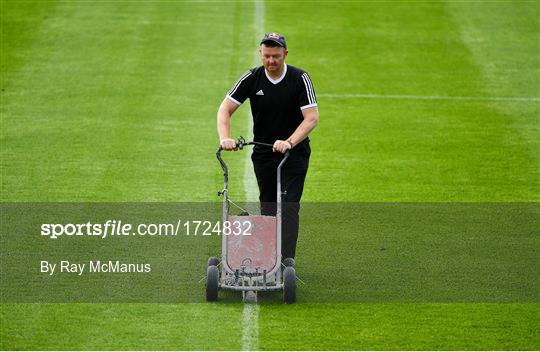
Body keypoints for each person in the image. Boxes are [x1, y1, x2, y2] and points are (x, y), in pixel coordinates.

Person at [217, 32, 318, 264]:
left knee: (289, 206)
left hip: (294, 154)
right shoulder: (251, 78)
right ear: (260, 54)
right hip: (263, 153)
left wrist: (290, 142)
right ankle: (268, 259)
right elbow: (225, 110)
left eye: (276, 56)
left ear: (285, 54)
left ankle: (285, 262)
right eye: (267, 56)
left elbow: (311, 118)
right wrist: (226, 138)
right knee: (269, 206)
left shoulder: (299, 78)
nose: (271, 61)